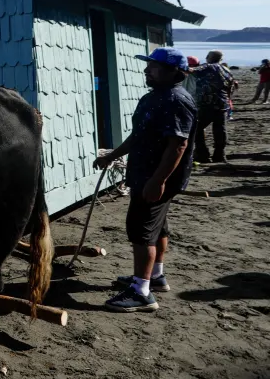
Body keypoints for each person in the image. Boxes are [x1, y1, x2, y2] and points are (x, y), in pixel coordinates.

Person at [94, 47, 196, 312]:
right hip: (146, 174)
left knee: (141, 231)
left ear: (174, 72)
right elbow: (139, 135)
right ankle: (156, 276)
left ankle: (141, 292)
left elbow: (178, 145)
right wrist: (112, 156)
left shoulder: (175, 100)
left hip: (155, 177)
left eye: (154, 67)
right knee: (157, 228)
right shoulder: (154, 97)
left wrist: (158, 180)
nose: (147, 70)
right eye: (148, 66)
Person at [188, 50, 233, 163]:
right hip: (222, 104)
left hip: (207, 104)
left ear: (209, 57)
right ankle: (219, 154)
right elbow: (230, 86)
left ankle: (202, 153)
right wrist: (228, 101)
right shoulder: (226, 70)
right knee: (220, 129)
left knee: (196, 128)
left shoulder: (208, 66)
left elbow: (191, 70)